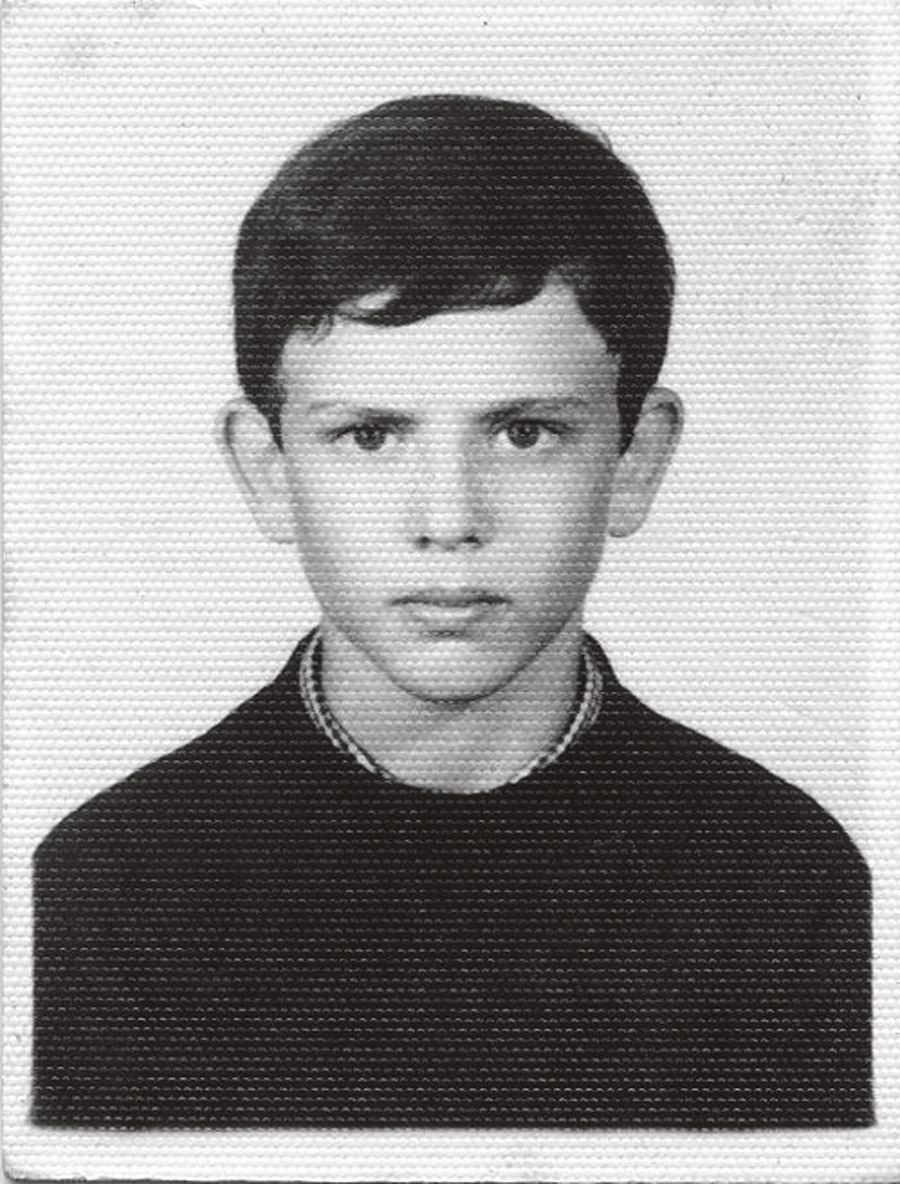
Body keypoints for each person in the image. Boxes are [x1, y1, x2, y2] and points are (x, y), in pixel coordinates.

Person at [32, 94, 871, 1129]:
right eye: (370, 436)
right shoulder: (105, 894)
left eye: (524, 433)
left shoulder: (782, 884)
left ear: (636, 460)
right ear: (268, 469)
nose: (449, 520)